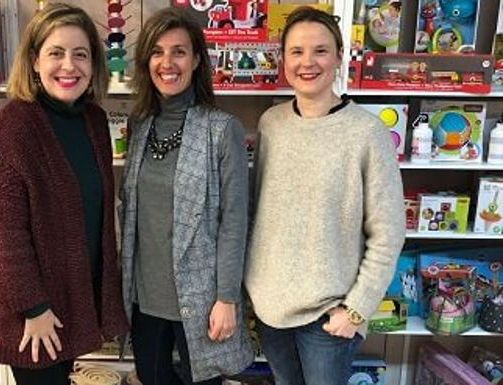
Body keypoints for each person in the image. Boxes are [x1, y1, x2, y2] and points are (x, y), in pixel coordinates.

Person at [245, 7, 405, 385]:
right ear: (283, 59)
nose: (307, 62)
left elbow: (388, 232)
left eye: (320, 50)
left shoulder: (367, 133)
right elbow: (259, 212)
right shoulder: (272, 124)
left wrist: (355, 310)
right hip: (270, 309)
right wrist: (251, 290)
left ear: (338, 56)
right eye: (296, 52)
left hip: (329, 316)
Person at [0, 4, 128, 385]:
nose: (69, 66)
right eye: (56, 53)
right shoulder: (12, 128)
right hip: (32, 312)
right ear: (33, 60)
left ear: (94, 64)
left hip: (71, 297)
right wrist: (34, 307)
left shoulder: (92, 120)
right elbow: (5, 234)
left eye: (81, 54)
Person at [119, 7, 254, 385]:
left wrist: (227, 299)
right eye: (157, 52)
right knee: (152, 378)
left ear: (196, 60)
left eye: (178, 51)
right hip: (145, 298)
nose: (167, 62)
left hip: (201, 300)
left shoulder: (220, 129)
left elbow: (234, 222)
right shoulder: (140, 125)